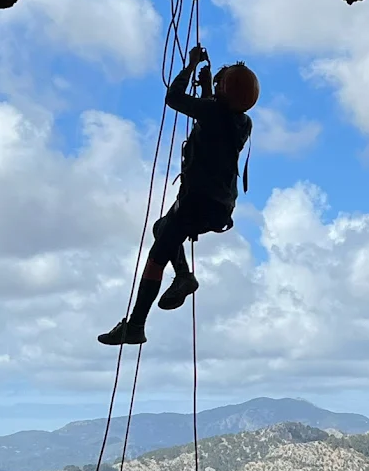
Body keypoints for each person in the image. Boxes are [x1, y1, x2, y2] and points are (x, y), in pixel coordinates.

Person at [98, 45, 259, 345]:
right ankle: (184, 277)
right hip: (219, 207)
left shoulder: (212, 112)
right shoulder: (243, 123)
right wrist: (209, 82)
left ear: (224, 90)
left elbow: (174, 99)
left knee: (157, 254)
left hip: (195, 203)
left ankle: (135, 326)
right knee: (162, 228)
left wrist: (191, 66)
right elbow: (214, 113)